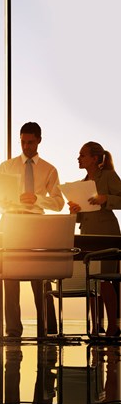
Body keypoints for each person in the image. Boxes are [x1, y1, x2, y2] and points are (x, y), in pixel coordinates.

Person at [0, 122, 64, 338]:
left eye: (30, 142)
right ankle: (13, 331)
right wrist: (9, 202)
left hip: (36, 225)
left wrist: (38, 199)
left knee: (41, 278)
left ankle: (48, 330)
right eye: (23, 142)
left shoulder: (49, 169)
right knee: (10, 277)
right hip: (10, 222)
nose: (26, 146)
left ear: (39, 140)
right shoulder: (6, 166)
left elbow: (59, 202)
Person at [68, 141, 121, 337]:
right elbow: (81, 216)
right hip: (87, 235)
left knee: (105, 281)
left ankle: (113, 326)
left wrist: (105, 198)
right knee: (91, 282)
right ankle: (95, 326)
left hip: (107, 233)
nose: (78, 158)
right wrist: (74, 211)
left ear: (95, 158)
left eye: (82, 155)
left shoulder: (108, 176)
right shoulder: (81, 185)